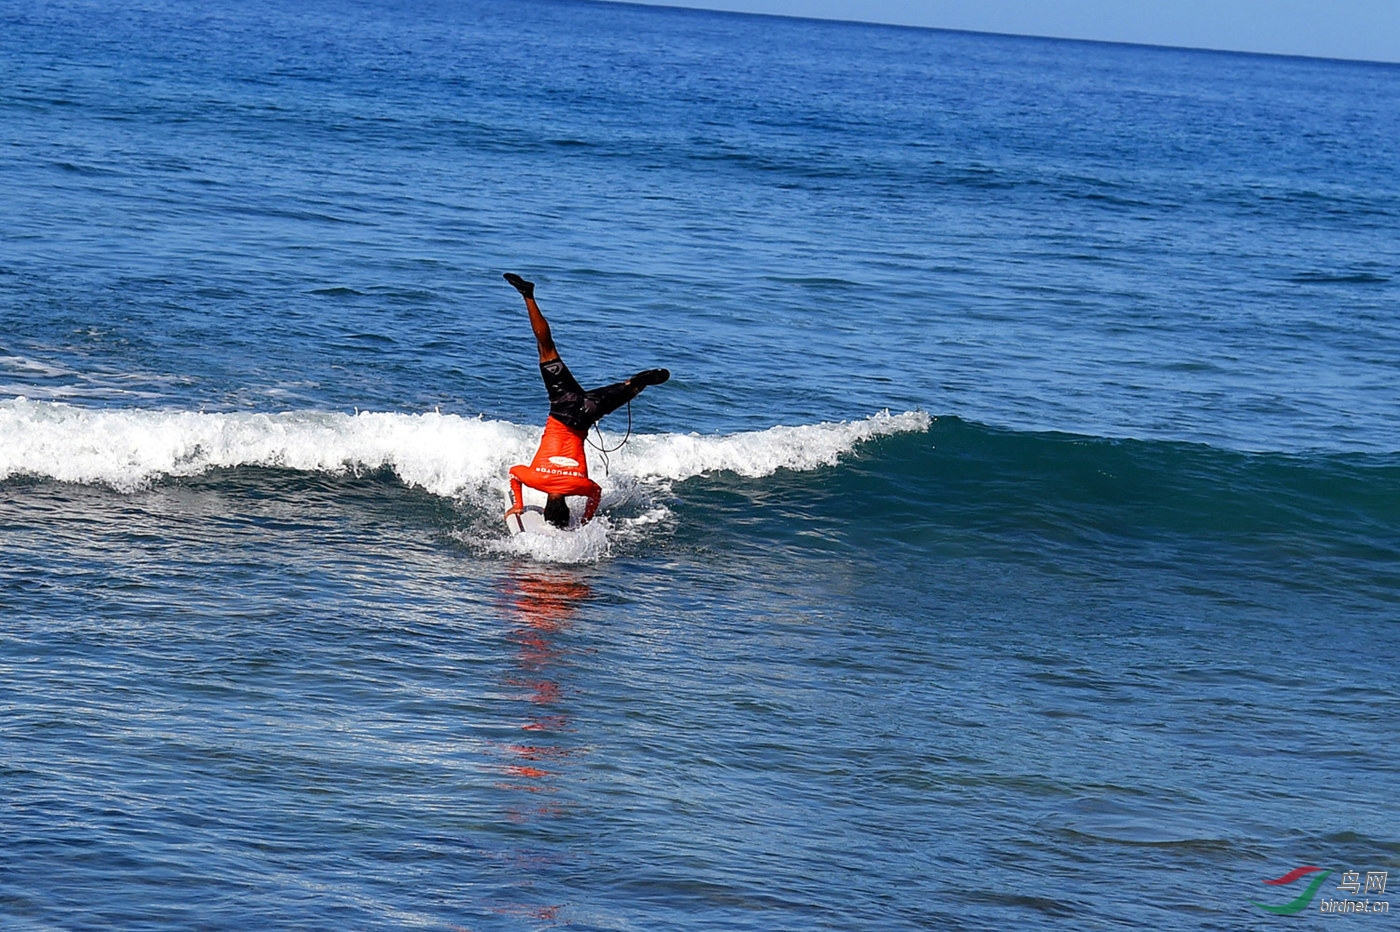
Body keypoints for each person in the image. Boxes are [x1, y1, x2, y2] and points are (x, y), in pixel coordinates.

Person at [502, 273, 669, 529]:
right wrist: (518, 504)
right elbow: (514, 473)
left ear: (567, 505)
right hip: (563, 405)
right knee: (546, 347)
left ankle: (635, 385)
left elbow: (596, 492)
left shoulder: (581, 487)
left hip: (588, 412)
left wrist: (586, 518)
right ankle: (528, 295)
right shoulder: (535, 479)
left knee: (626, 390)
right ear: (547, 505)